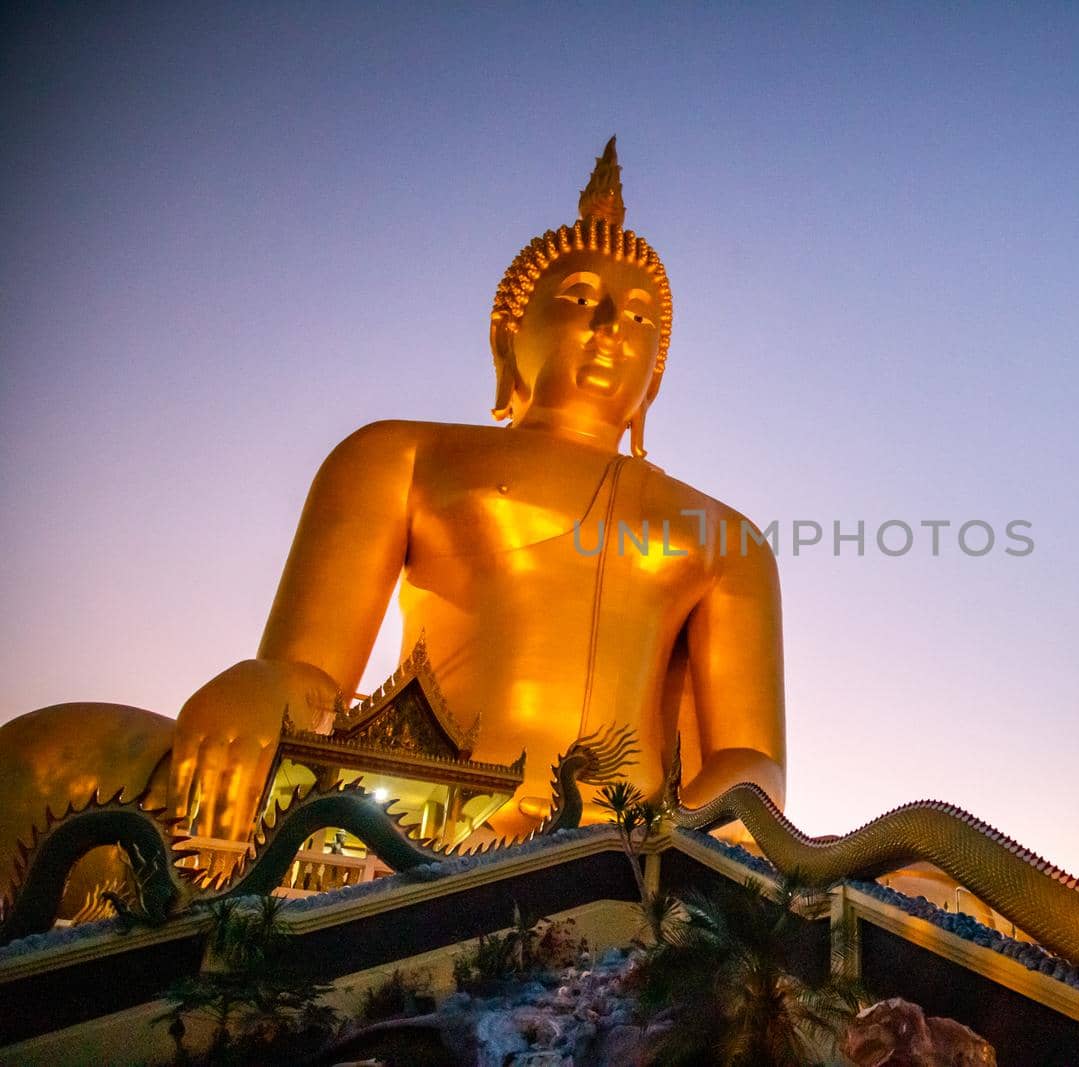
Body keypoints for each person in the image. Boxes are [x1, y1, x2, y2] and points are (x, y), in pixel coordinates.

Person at [0, 140, 786, 879]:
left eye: (642, 316)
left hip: (621, 841)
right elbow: (309, 675)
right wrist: (259, 684)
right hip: (398, 805)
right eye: (579, 298)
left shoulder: (726, 537)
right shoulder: (401, 454)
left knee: (909, 883)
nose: (612, 327)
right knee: (57, 753)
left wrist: (675, 833)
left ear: (658, 375)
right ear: (509, 333)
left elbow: (754, 762)